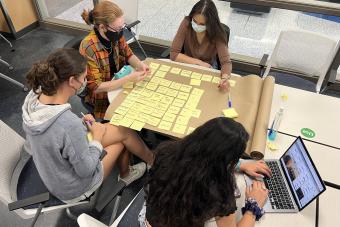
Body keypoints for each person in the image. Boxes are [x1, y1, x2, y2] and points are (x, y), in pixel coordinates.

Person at [22, 48, 154, 203]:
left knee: (122, 129)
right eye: (84, 78)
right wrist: (96, 139)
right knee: (120, 141)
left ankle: (149, 161)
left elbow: (57, 134)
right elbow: (86, 169)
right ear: (71, 81)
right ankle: (139, 169)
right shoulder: (67, 123)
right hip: (75, 187)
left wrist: (81, 126)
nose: (85, 83)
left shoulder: (35, 96)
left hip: (54, 169)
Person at [145, 117, 271, 227]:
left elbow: (205, 157)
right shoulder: (218, 191)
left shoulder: (166, 152)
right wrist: (253, 207)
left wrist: (239, 164)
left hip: (149, 220)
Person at [80, 1, 150, 119]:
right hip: (101, 97)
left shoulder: (115, 34)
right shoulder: (88, 47)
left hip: (119, 81)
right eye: (118, 28)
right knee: (135, 113)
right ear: (102, 27)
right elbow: (95, 87)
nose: (121, 31)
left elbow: (128, 54)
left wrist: (139, 65)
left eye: (122, 26)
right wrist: (128, 79)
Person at [170, 0, 232, 91]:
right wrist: (199, 63)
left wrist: (224, 78)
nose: (197, 26)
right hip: (188, 63)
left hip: (209, 66)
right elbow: (174, 54)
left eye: (202, 24)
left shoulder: (218, 32)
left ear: (211, 24)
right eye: (194, 21)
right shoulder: (186, 23)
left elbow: (226, 62)